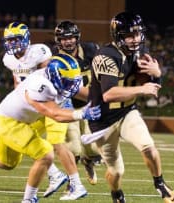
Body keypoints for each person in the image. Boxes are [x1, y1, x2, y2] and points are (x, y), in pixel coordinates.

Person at [0, 53, 101, 203]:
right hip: (7, 122)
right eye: (67, 81)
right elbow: (53, 114)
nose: (71, 85)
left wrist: (104, 102)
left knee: (6, 162)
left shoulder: (56, 79)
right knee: (45, 154)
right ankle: (29, 199)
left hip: (25, 121)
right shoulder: (40, 85)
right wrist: (82, 114)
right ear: (55, 76)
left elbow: (80, 92)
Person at [87, 12, 174, 203]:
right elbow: (109, 94)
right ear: (118, 36)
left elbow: (153, 89)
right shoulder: (105, 56)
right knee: (116, 171)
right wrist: (142, 88)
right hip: (102, 120)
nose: (135, 39)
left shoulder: (139, 53)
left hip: (127, 112)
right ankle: (116, 193)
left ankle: (159, 183)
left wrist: (157, 74)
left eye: (137, 34)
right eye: (129, 35)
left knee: (148, 147)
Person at [2, 22, 88, 200]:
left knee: (57, 143)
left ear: (26, 38)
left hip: (51, 101)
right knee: (28, 139)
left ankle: (76, 184)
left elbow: (52, 78)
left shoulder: (40, 51)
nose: (12, 44)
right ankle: (56, 175)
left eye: (16, 39)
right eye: (9, 40)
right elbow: (17, 80)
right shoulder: (8, 59)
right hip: (35, 104)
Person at [52, 20, 102, 186]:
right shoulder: (52, 57)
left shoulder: (91, 50)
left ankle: (88, 161)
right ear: (58, 40)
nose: (68, 41)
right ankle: (73, 183)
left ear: (77, 37)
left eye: (71, 37)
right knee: (73, 148)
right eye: (64, 38)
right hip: (67, 107)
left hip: (89, 105)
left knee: (93, 149)